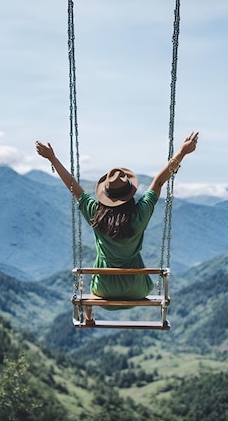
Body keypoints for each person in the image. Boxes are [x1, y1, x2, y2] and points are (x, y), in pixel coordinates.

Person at [35, 131, 198, 323]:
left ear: (106, 195)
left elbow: (72, 186)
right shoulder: (139, 214)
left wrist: (52, 158)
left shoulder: (96, 214)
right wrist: (182, 153)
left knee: (92, 290)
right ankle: (92, 307)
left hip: (104, 290)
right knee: (132, 282)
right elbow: (159, 182)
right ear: (130, 193)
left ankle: (89, 313)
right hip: (137, 290)